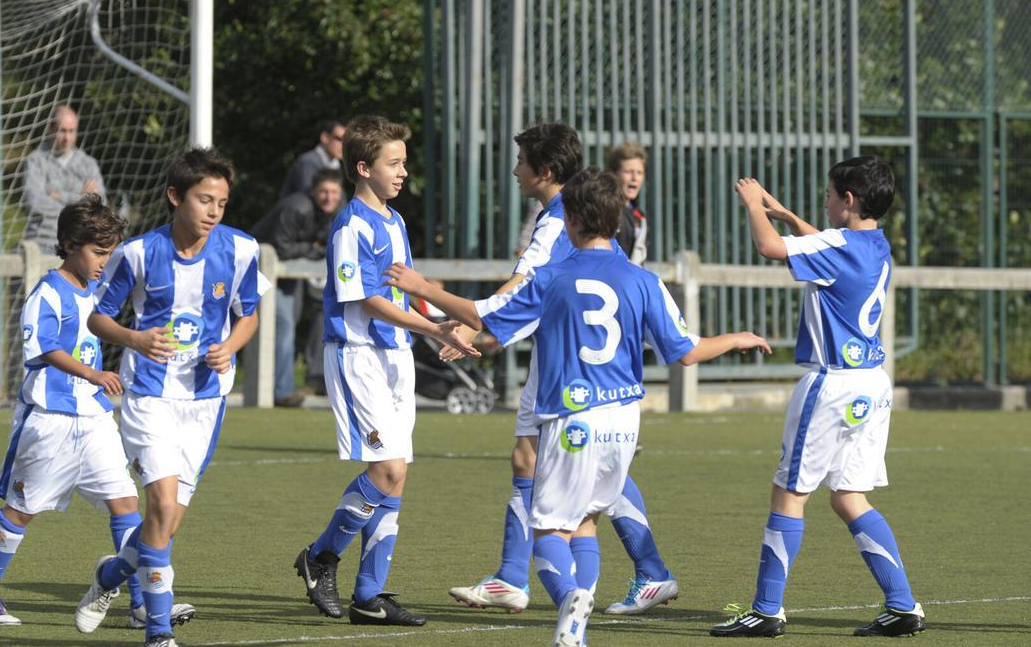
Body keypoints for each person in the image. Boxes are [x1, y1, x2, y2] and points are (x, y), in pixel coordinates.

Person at [384, 168, 770, 646]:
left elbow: (483, 315)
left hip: (572, 420)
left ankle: (569, 598)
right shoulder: (644, 281)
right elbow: (687, 351)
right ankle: (578, 623)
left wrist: (424, 289)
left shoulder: (553, 277)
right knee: (586, 520)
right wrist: (735, 338)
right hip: (625, 423)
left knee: (547, 530)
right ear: (618, 220)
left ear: (569, 219)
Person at [446, 124, 680, 617]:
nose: (515, 171)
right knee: (536, 461)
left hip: (568, 364)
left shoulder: (559, 219)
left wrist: (477, 327)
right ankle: (514, 576)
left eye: (521, 163)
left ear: (544, 171)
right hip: (572, 356)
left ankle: (639, 572)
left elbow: (526, 284)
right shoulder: (567, 211)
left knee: (582, 473)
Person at [710, 158, 925, 638]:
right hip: (871, 383)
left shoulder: (838, 245)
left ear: (848, 201)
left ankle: (766, 610)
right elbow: (827, 245)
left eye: (829, 195)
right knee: (849, 496)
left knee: (789, 492)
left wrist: (753, 205)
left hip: (832, 383)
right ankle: (903, 604)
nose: (825, 202)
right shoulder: (877, 245)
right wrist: (787, 216)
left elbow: (768, 247)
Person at [0, 195, 193, 629]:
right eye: (98, 252)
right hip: (51, 419)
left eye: (109, 252)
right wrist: (92, 373)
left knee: (127, 506)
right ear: (69, 245)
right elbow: (43, 348)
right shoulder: (48, 292)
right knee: (21, 510)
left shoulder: (98, 292)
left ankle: (141, 605)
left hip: (95, 420)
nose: (105, 261)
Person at [73, 148, 266, 647]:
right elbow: (99, 317)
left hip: (205, 402)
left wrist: (230, 347)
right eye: (205, 199)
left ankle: (110, 577)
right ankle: (157, 634)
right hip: (149, 398)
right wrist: (135, 339)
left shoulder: (242, 250)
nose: (214, 211)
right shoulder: (138, 254)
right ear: (176, 196)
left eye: (222, 202)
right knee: (159, 506)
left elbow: (249, 314)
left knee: (167, 521)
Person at [292, 115, 479, 627]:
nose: (402, 172)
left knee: (396, 478)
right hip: (358, 356)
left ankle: (368, 595)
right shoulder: (350, 225)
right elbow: (368, 300)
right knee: (386, 470)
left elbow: (401, 289)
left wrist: (439, 319)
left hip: (395, 356)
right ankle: (321, 556)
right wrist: (434, 330)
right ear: (361, 167)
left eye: (403, 162)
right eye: (392, 163)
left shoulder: (394, 221)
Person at [252, 168, 344, 407]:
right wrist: (312, 249)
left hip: (287, 274)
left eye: (334, 192)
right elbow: (281, 248)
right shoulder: (297, 207)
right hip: (259, 270)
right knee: (283, 324)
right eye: (324, 191)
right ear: (313, 191)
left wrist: (313, 248)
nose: (329, 197)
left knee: (287, 324)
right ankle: (281, 392)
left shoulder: (335, 210)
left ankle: (282, 387)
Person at [23, 104, 106, 254]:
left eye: (71, 131)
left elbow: (99, 206)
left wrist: (59, 196)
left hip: (80, 247)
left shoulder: (89, 164)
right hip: (43, 243)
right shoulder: (35, 161)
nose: (67, 138)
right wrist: (81, 199)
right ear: (50, 129)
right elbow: (34, 203)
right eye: (62, 131)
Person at [278, 119, 345, 198]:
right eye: (339, 139)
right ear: (325, 137)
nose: (343, 145)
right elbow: (310, 198)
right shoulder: (308, 162)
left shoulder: (335, 165)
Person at [606, 142, 648, 266]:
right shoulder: (603, 211)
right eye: (628, 172)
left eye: (639, 172)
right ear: (613, 174)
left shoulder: (639, 217)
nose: (635, 178)